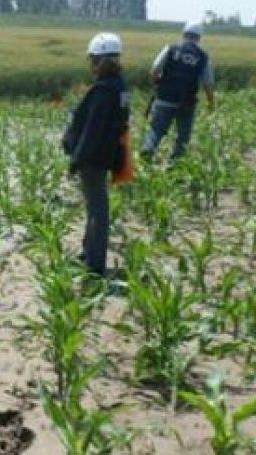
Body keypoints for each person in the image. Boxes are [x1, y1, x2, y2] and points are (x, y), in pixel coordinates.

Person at [63, 33, 131, 277]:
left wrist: (75, 160)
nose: (91, 65)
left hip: (93, 159)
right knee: (95, 208)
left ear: (100, 61)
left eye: (93, 60)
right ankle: (88, 252)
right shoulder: (120, 86)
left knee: (98, 212)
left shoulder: (103, 91)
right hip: (105, 156)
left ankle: (94, 264)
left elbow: (92, 131)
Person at [141, 21, 215, 162]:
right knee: (183, 136)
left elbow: (155, 69)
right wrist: (211, 102)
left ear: (184, 34)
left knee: (156, 130)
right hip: (187, 103)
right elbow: (208, 84)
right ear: (199, 38)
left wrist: (158, 83)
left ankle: (148, 150)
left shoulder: (170, 48)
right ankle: (175, 164)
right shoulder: (203, 57)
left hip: (164, 98)